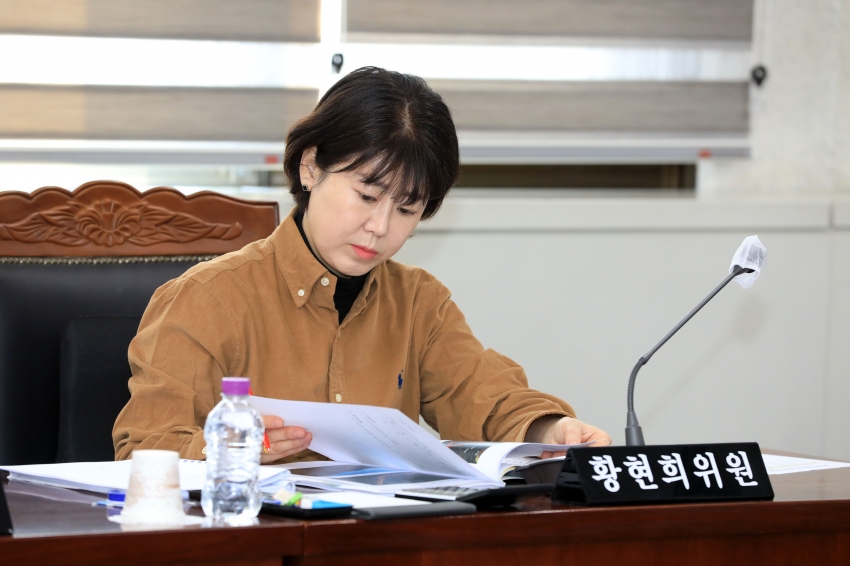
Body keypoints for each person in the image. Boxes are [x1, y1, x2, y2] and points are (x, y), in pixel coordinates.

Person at [113, 67, 612, 463]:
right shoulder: (208, 298)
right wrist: (233, 449)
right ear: (311, 167)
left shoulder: (418, 303)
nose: (380, 226)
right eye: (367, 196)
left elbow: (483, 396)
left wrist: (550, 430)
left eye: (407, 209)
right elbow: (145, 447)